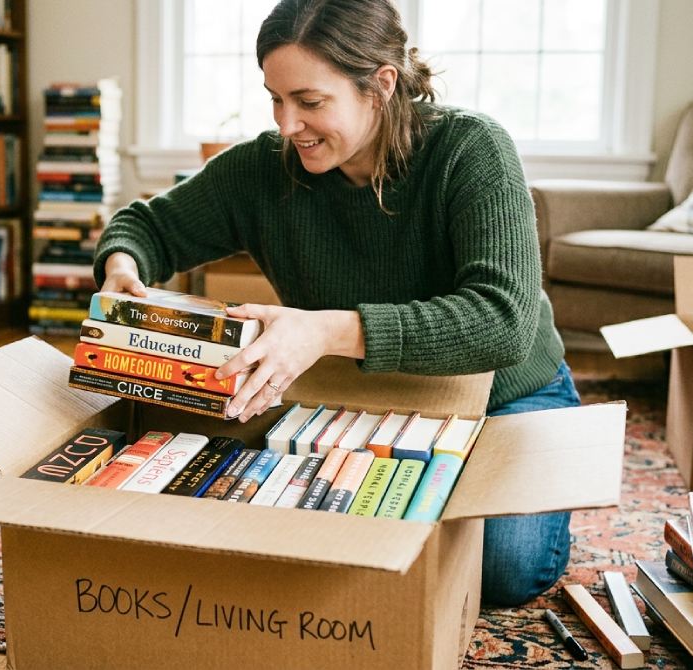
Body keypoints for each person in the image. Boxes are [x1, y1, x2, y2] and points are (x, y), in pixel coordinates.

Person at [92, 0, 579, 608]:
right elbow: (145, 227)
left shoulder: (471, 150)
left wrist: (325, 332)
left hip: (503, 396)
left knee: (502, 571)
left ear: (380, 84)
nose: (288, 123)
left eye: (310, 101)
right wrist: (122, 268)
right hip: (361, 401)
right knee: (277, 535)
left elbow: (503, 323)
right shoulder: (262, 169)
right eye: (274, 97)